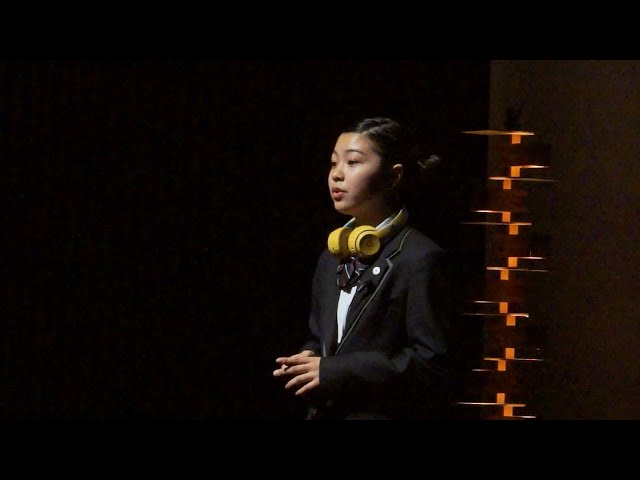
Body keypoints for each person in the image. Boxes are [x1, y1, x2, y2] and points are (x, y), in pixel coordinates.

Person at [273, 116, 460, 420]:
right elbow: (324, 338)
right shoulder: (331, 256)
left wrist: (335, 371)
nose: (337, 174)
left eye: (353, 162)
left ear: (393, 176)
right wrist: (309, 357)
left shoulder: (419, 258)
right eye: (334, 163)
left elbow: (432, 364)